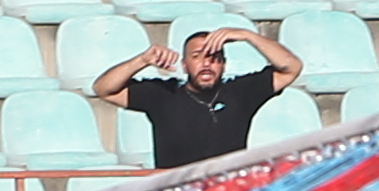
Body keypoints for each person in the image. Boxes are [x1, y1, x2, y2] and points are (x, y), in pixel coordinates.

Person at [92, 26, 302, 169]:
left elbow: (291, 68)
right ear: (185, 65)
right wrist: (142, 60)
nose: (206, 64)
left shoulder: (240, 92)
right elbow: (104, 89)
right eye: (197, 57)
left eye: (214, 58)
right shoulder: (163, 94)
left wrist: (248, 36)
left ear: (223, 64)